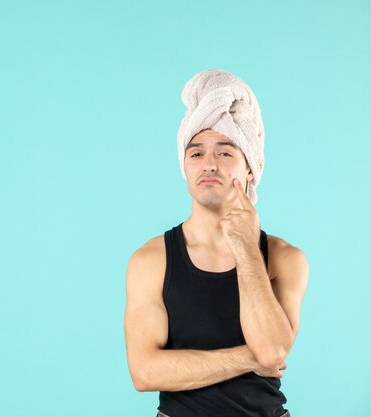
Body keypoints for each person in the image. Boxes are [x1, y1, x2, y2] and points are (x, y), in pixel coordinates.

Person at [123, 69, 309, 417]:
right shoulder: (151, 260)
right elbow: (145, 372)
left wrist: (245, 247)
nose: (209, 163)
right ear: (185, 166)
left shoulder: (285, 259)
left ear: (249, 168)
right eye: (196, 154)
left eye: (225, 153)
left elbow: (271, 352)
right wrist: (247, 357)